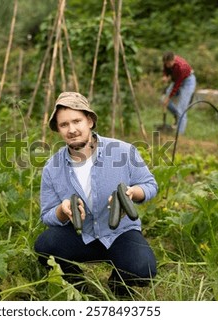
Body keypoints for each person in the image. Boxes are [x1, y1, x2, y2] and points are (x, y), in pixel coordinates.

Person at [34, 92, 158, 296]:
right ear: (58, 129)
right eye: (64, 124)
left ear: (89, 120)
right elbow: (47, 215)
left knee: (143, 269)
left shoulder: (123, 151)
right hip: (81, 235)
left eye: (77, 121)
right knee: (44, 246)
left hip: (120, 233)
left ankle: (118, 284)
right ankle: (79, 286)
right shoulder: (52, 167)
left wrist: (132, 193)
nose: (72, 129)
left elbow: (150, 185)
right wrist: (62, 210)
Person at [161, 51, 196, 134]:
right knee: (163, 100)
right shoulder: (167, 61)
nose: (167, 65)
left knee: (181, 109)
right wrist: (165, 76)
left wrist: (169, 97)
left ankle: (180, 135)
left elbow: (177, 85)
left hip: (187, 81)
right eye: (166, 63)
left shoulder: (181, 67)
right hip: (176, 80)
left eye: (169, 63)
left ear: (174, 60)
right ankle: (177, 115)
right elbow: (165, 70)